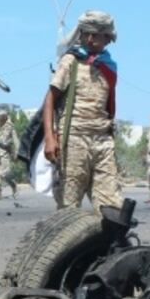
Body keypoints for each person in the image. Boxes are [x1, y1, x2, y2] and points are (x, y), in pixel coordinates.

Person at [41, 11, 122, 210]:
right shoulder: (71, 61)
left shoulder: (108, 66)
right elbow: (50, 99)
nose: (89, 38)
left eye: (95, 34)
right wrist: (50, 138)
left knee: (111, 209)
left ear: (108, 38)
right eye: (86, 33)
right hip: (74, 141)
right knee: (68, 208)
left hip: (102, 141)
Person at [0, 112, 18, 199]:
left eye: (0, 117)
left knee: (4, 174)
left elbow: (15, 139)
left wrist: (17, 151)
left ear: (5, 117)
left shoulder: (10, 127)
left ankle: (14, 186)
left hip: (5, 152)